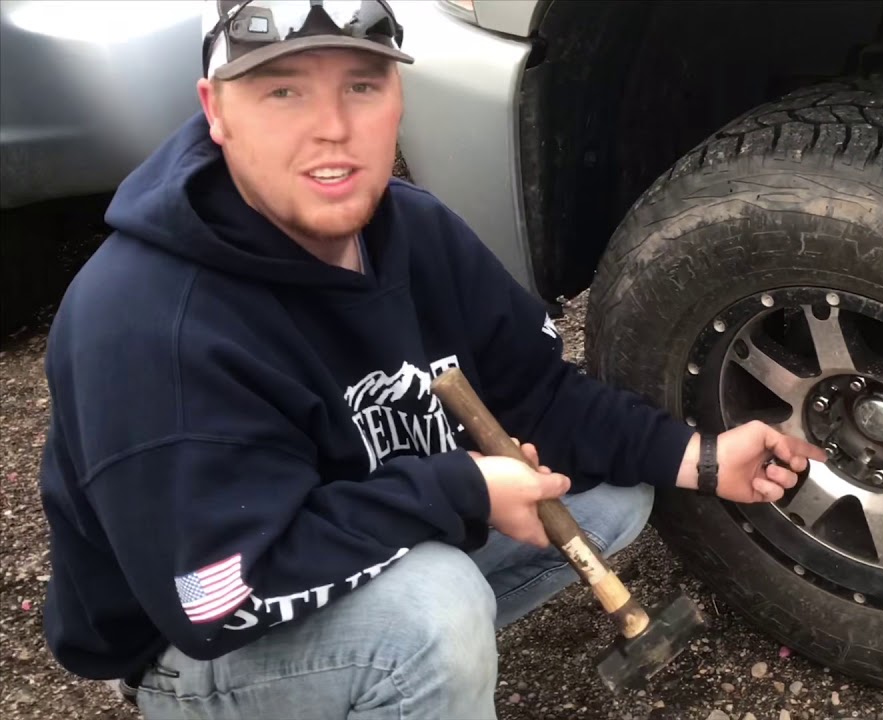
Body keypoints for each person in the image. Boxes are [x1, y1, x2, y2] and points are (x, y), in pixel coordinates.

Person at [37, 2, 825, 718]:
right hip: (191, 648)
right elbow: (215, 598)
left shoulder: (411, 231)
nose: (332, 128)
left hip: (343, 528)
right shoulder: (146, 326)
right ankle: (383, 668)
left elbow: (537, 395)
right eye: (282, 91)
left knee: (612, 495)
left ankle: (389, 669)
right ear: (216, 112)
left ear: (397, 101)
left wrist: (700, 454)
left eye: (362, 86)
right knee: (431, 614)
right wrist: (464, 488)